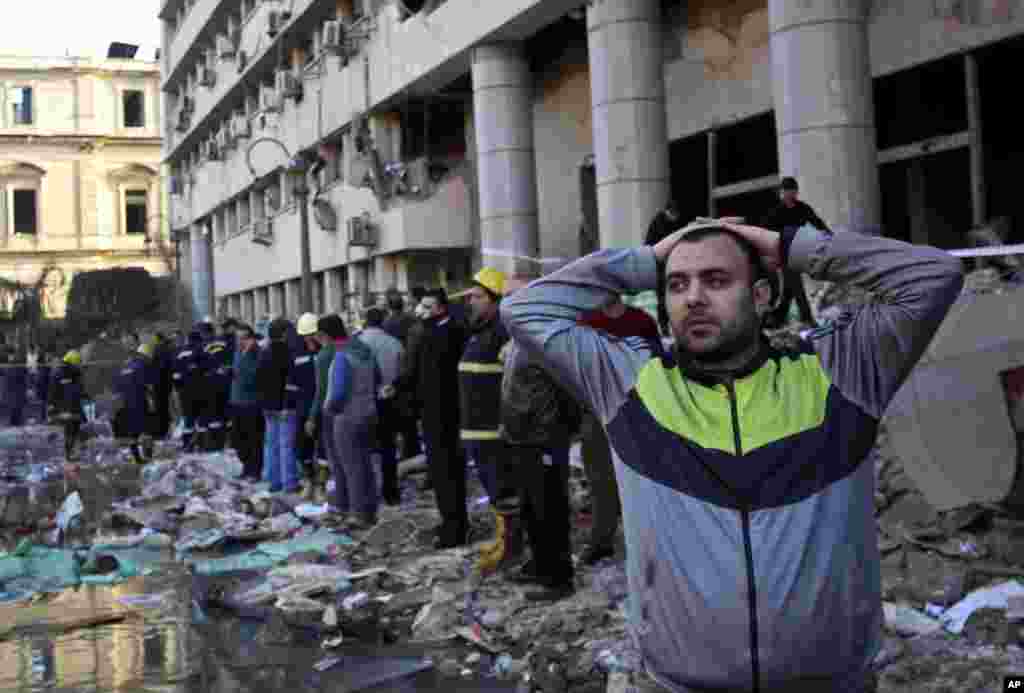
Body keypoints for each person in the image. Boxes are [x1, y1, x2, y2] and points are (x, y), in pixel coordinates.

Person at [501, 216, 963, 692]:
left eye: (716, 280)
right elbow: (523, 309)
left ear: (762, 296)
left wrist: (788, 248)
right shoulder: (629, 383)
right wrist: (648, 259)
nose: (693, 298)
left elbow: (933, 276)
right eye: (677, 285)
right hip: (681, 683)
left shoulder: (839, 373)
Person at [500, 277, 581, 601]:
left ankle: (557, 578)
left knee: (549, 507)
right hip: (523, 437)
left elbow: (567, 391)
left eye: (512, 296)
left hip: (543, 439)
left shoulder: (544, 338)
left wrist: (554, 436)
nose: (505, 304)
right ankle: (539, 564)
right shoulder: (520, 339)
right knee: (533, 507)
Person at [577, 293, 660, 565]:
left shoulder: (641, 321)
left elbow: (657, 365)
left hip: (635, 411)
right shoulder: (587, 322)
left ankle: (646, 544)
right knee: (600, 481)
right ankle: (602, 541)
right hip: (597, 411)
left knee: (640, 479)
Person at [459, 268, 521, 573]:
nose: (472, 301)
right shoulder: (480, 331)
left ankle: (511, 550)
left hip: (492, 431)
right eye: (472, 296)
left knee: (504, 490)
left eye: (479, 296)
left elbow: (512, 383)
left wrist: (505, 422)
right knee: (494, 491)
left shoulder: (502, 332)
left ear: (495, 300)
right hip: (475, 429)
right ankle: (503, 541)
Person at [396, 288, 467, 548]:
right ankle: (451, 522)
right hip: (436, 413)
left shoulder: (445, 334)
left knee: (446, 473)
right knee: (443, 473)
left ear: (440, 308)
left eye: (427, 307)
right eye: (420, 306)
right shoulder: (433, 332)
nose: (420, 311)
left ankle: (454, 528)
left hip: (444, 415)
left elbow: (431, 376)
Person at [324, 316, 381, 528]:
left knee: (351, 467)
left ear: (326, 336)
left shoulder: (341, 358)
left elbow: (337, 393)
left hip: (347, 417)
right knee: (366, 465)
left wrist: (329, 409)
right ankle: (370, 511)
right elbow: (377, 378)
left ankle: (357, 514)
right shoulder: (365, 352)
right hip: (368, 413)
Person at [760, 177, 831, 327]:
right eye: (785, 191)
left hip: (798, 249)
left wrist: (829, 235)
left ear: (795, 192)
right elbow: (764, 229)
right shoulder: (777, 211)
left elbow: (816, 221)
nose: (788, 194)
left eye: (791, 191)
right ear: (782, 193)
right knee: (795, 283)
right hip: (784, 252)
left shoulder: (802, 208)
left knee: (789, 288)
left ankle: (777, 318)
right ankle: (807, 318)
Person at [357, 307, 405, 505]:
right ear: (383, 322)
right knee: (387, 449)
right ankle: (391, 494)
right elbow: (403, 374)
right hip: (388, 402)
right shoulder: (395, 343)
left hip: (362, 403)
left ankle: (367, 494)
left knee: (363, 450)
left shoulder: (357, 344)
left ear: (366, 322)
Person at [257, 318, 299, 493]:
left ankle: (273, 482)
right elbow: (290, 381)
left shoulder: (264, 352)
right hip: (284, 406)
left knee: (271, 444)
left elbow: (259, 379)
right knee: (286, 445)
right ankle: (289, 483)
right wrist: (286, 405)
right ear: (284, 333)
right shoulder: (289, 353)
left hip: (268, 406)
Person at [310, 315, 344, 503]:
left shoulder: (324, 355)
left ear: (323, 334)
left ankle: (330, 492)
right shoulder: (355, 348)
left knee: (327, 453)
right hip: (357, 410)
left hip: (331, 410)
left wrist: (312, 417)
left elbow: (321, 390)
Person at [291, 313, 322, 500]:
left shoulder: (325, 350)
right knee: (303, 447)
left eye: (312, 334)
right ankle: (309, 480)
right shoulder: (296, 353)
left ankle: (321, 485)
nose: (309, 338)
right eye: (306, 335)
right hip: (303, 407)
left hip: (323, 407)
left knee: (325, 448)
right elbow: (292, 381)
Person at [229, 323, 265, 480]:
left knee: (253, 439)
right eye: (237, 338)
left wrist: (247, 354)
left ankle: (254, 470)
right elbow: (236, 374)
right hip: (237, 402)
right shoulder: (237, 353)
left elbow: (252, 377)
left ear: (251, 339)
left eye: (243, 338)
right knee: (238, 439)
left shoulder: (257, 353)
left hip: (252, 403)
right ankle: (246, 467)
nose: (239, 341)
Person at [112, 343, 157, 464]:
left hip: (126, 405)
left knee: (133, 434)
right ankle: (148, 457)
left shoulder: (123, 368)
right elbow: (149, 386)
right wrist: (152, 401)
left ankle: (137, 459)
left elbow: (117, 390)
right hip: (140, 403)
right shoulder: (142, 366)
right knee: (147, 431)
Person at [644, 201, 684, 334]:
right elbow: (652, 247)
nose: (675, 218)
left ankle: (673, 325)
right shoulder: (658, 223)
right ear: (668, 212)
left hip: (671, 264)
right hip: (659, 266)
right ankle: (665, 327)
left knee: (675, 295)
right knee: (663, 298)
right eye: (673, 215)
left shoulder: (674, 223)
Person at [49, 350, 88, 461]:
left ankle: (73, 453)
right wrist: (53, 408)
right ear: (73, 362)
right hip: (67, 408)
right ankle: (70, 454)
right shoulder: (62, 373)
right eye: (78, 362)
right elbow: (54, 392)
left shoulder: (73, 373)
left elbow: (79, 390)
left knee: (73, 430)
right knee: (71, 431)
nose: (80, 364)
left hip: (72, 407)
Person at [172, 329, 206, 452]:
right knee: (202, 418)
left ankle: (187, 445)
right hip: (200, 390)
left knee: (188, 419)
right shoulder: (201, 351)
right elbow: (206, 371)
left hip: (184, 392)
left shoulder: (179, 353)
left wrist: (178, 389)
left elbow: (175, 375)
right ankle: (202, 445)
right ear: (199, 340)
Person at [6, 350, 28, 427]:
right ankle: (14, 421)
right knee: (13, 407)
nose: (10, 357)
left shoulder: (19, 365)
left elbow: (24, 377)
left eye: (11, 355)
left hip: (18, 389)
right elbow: (7, 378)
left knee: (18, 407)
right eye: (9, 356)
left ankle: (18, 421)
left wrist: (24, 388)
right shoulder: (8, 366)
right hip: (12, 390)